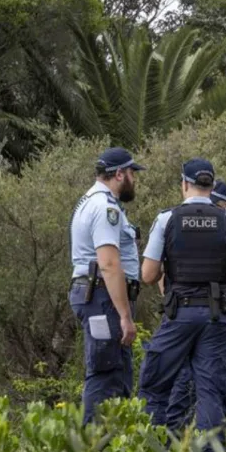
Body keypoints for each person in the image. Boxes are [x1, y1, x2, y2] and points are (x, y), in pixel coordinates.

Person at [137, 159, 226, 449]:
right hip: (217, 317)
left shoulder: (167, 219)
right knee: (210, 390)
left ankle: (154, 450)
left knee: (155, 383)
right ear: (212, 186)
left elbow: (148, 275)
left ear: (184, 183)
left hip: (178, 315)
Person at [165, 180, 226, 429]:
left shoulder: (180, 220)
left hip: (201, 312)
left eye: (218, 201)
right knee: (212, 382)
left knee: (207, 381)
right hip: (221, 314)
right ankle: (206, 442)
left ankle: (181, 439)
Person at [67, 146, 145, 425]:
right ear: (120, 174)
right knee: (105, 374)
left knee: (118, 374)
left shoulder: (90, 201)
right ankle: (92, 447)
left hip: (98, 294)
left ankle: (113, 446)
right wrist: (125, 316)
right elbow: (109, 263)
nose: (134, 180)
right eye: (133, 174)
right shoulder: (105, 207)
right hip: (102, 297)